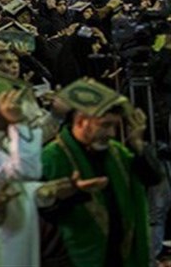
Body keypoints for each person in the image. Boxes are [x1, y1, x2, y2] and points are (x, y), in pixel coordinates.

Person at [41, 79, 161, 267]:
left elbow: (152, 178)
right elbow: (43, 214)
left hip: (119, 256)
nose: (112, 133)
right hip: (74, 259)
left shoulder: (116, 152)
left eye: (115, 126)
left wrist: (138, 144)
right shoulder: (52, 157)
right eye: (105, 125)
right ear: (81, 121)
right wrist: (71, 193)